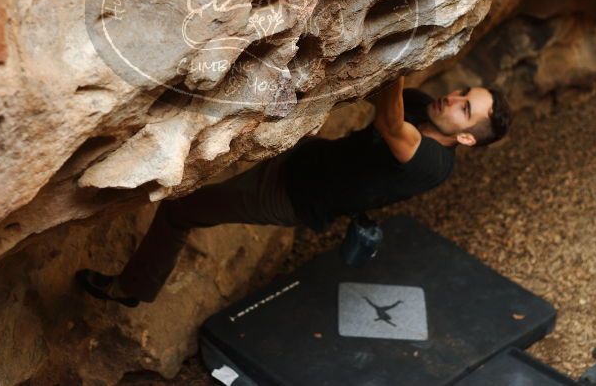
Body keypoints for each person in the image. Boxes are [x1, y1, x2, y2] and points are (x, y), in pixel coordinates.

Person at [75, 76, 512, 307]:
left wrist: (401, 61)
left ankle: (131, 289)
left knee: (180, 213)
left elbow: (389, 123)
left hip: (292, 195)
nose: (452, 100)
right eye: (460, 93)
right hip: (308, 155)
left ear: (468, 138)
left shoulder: (433, 164)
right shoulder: (422, 104)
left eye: (464, 108)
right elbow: (372, 87)